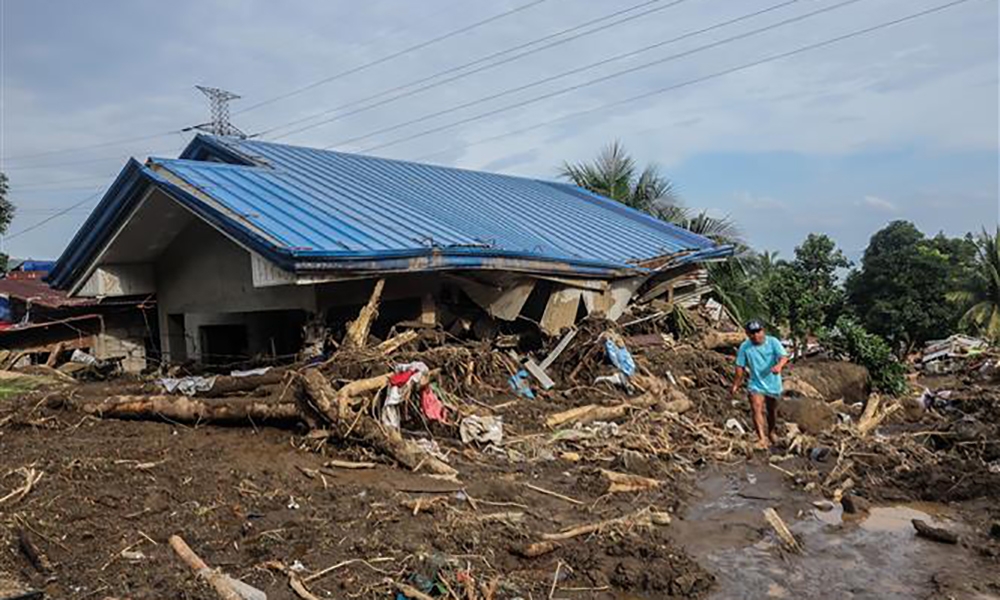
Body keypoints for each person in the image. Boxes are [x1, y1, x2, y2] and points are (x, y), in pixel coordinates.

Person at [730, 320, 789, 450]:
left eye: (758, 332)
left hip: (773, 383)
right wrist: (736, 384)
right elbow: (740, 366)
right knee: (756, 408)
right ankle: (762, 439)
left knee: (771, 410)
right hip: (755, 383)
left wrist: (779, 366)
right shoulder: (745, 347)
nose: (756, 335)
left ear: (763, 331)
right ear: (747, 334)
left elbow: (784, 357)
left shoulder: (773, 342)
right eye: (752, 333)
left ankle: (771, 432)